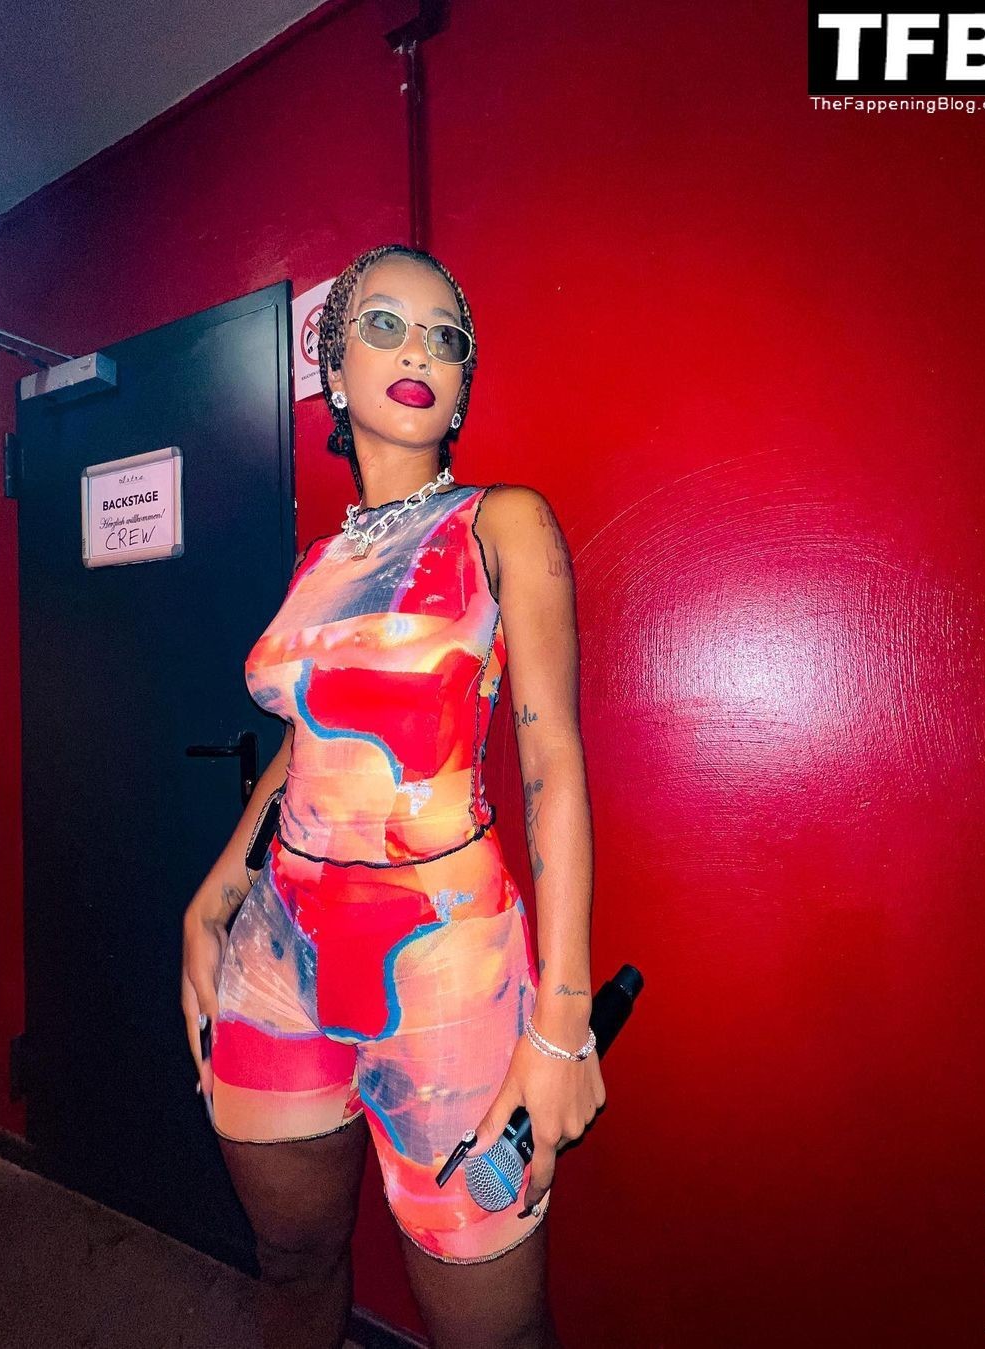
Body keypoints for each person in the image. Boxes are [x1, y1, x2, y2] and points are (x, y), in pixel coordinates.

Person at [181, 242, 603, 1349]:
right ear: (332, 369)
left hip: (447, 974)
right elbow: (306, 746)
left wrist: (562, 1025)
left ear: (461, 386)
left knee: (493, 1335)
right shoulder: (317, 560)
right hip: (276, 956)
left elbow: (554, 764)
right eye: (383, 325)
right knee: (292, 1263)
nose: (417, 351)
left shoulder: (503, 522)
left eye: (444, 338)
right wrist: (213, 896)